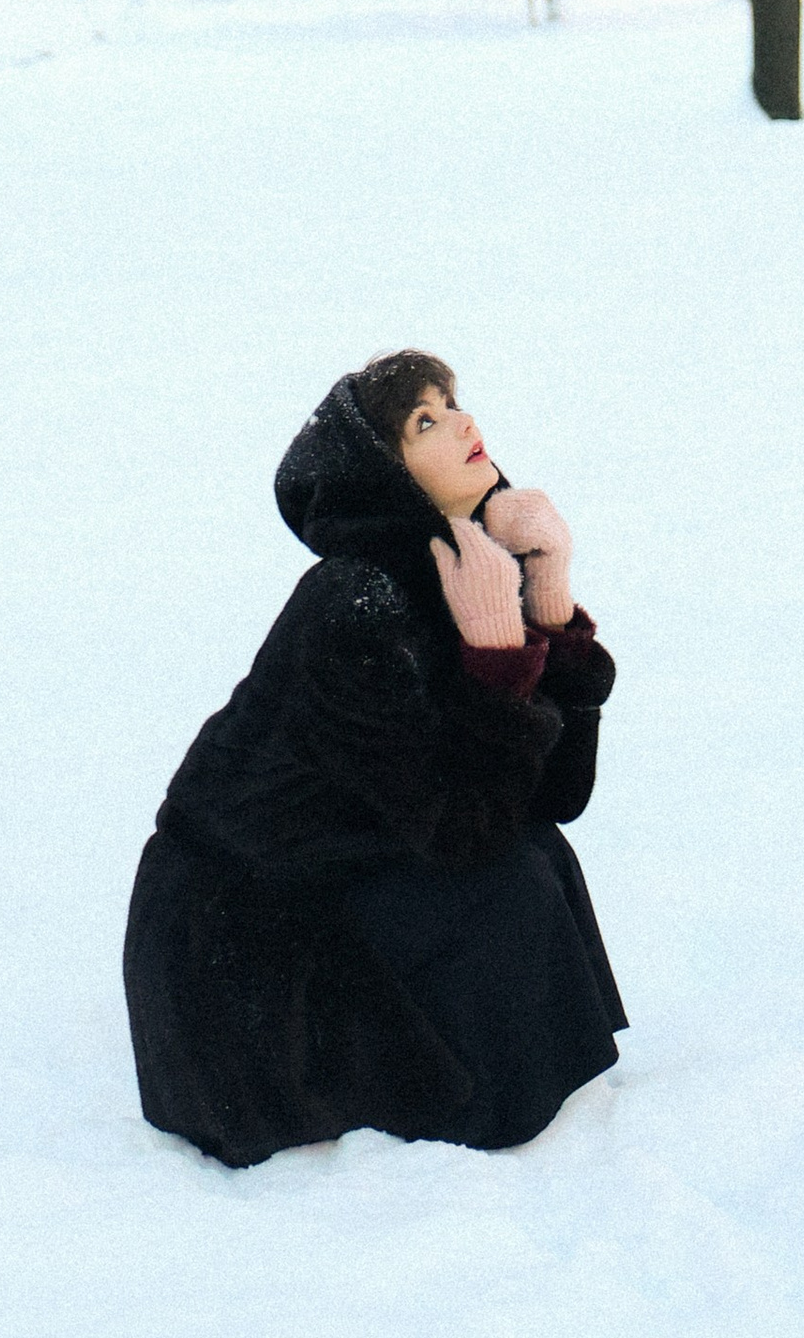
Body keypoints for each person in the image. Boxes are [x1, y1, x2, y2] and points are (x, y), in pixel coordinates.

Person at [123, 351, 623, 1167]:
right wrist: (497, 665)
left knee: (538, 854)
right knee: (502, 890)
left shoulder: (461, 575)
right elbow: (462, 833)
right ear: (383, 475)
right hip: (235, 948)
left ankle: (543, 1088)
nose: (464, 423)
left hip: (334, 867)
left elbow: (557, 794)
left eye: (453, 402)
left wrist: (547, 597)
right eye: (424, 421)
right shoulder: (354, 605)